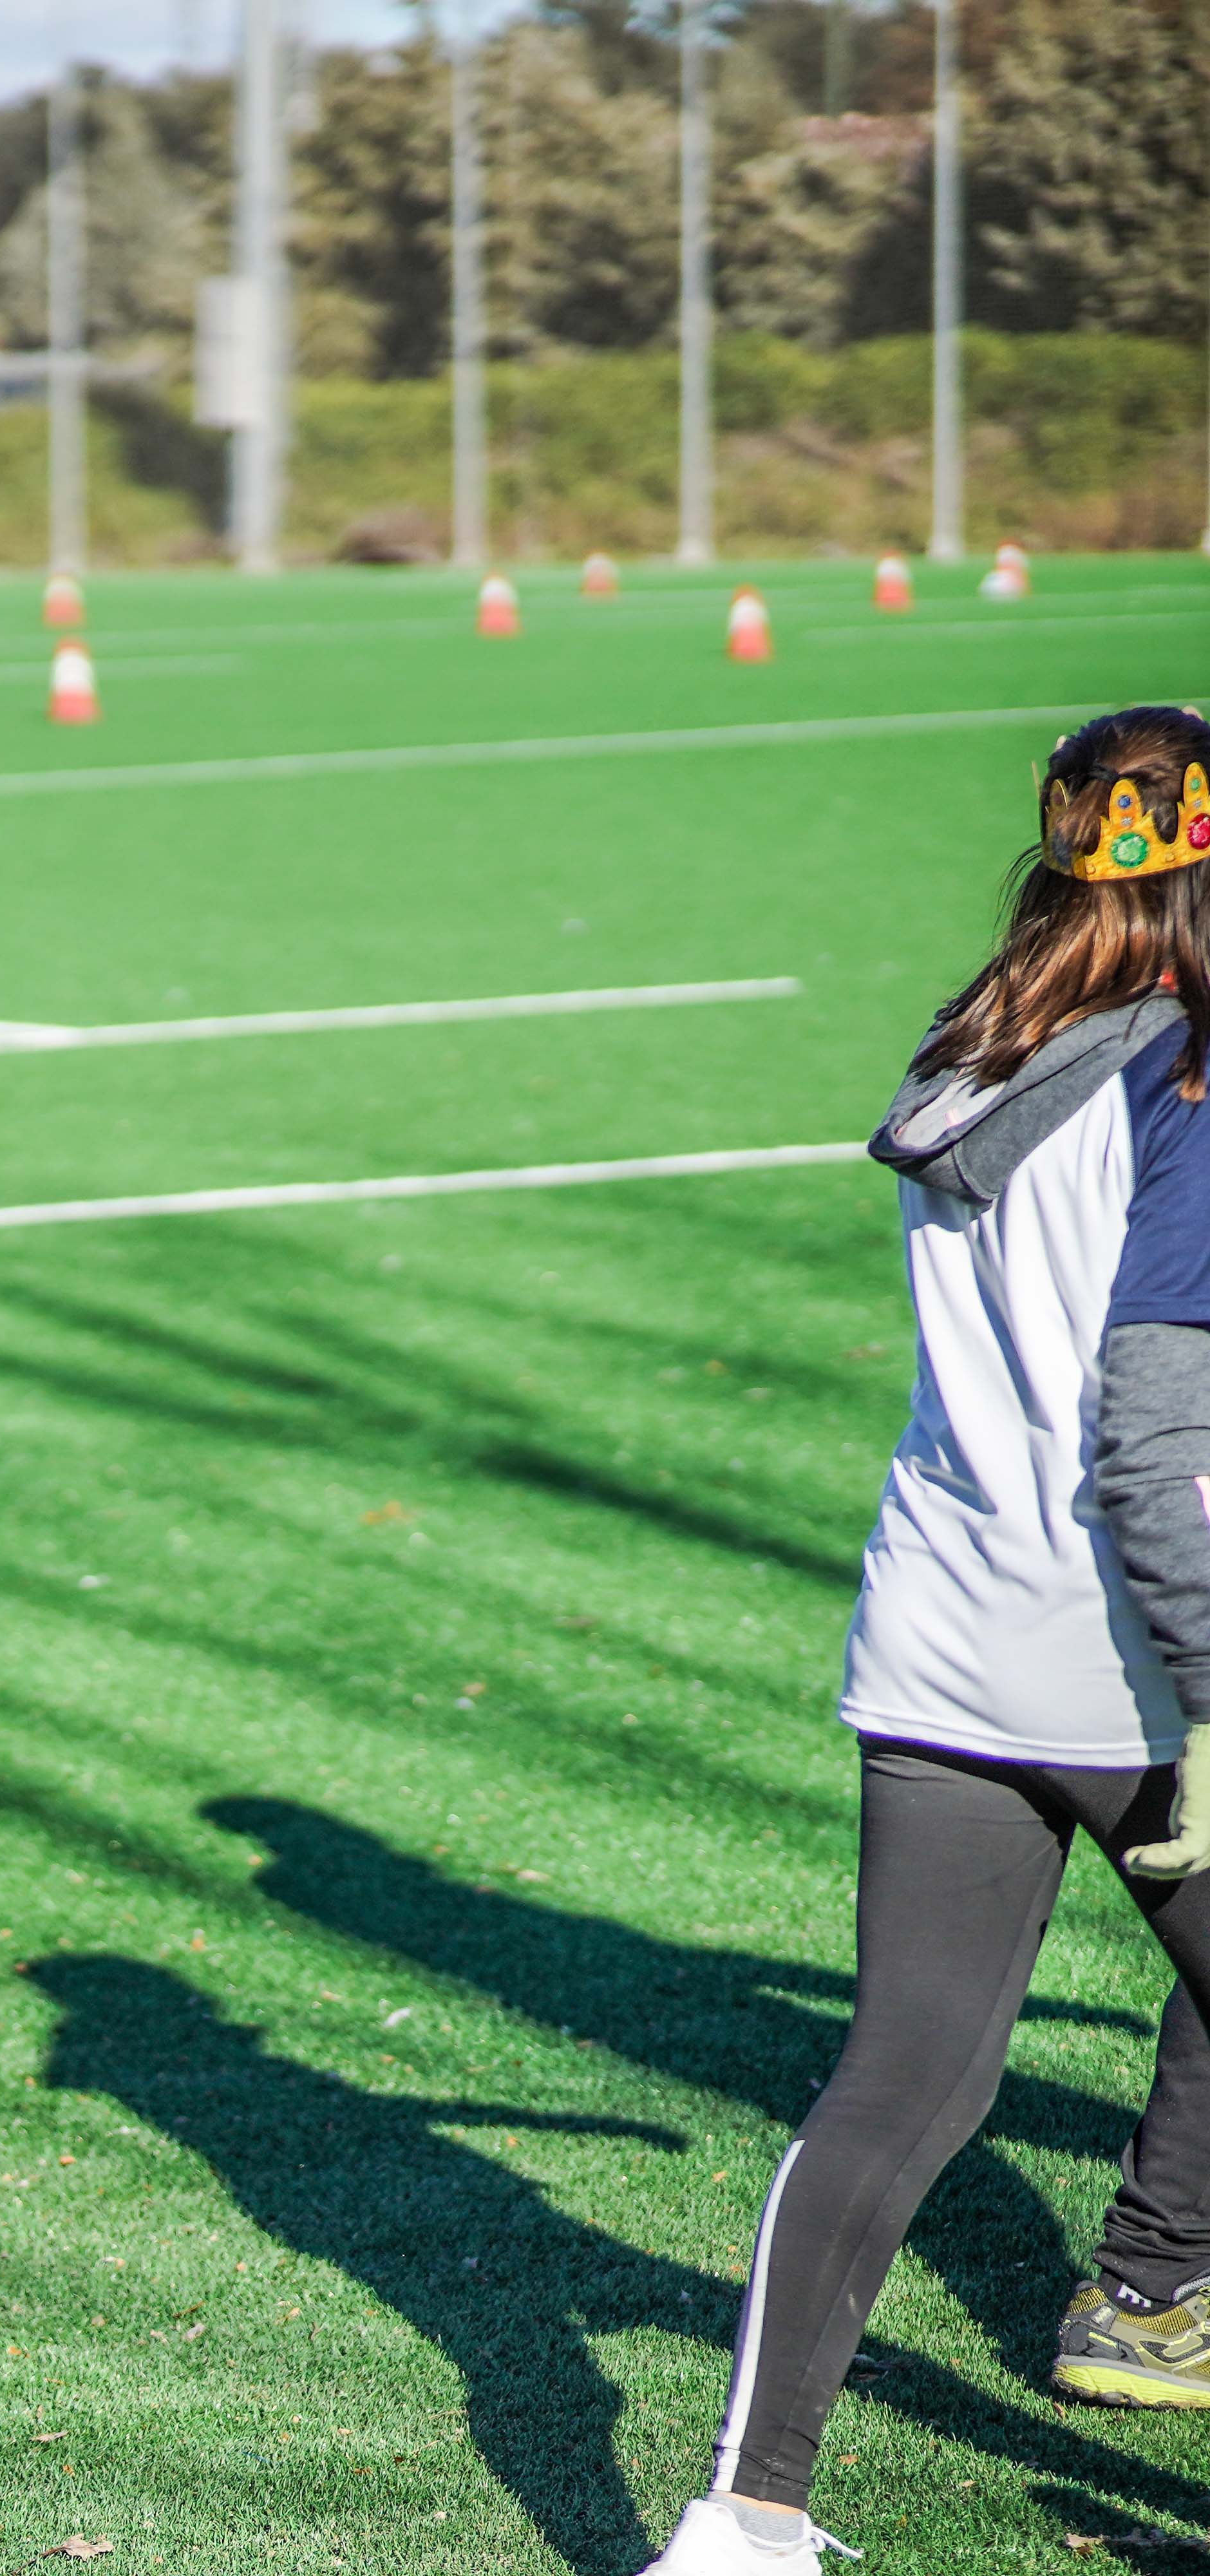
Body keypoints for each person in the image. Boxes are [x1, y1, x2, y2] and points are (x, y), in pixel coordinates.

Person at [640, 705, 1210, 2573]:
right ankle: (1146, 2294)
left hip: (942, 1637)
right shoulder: (1186, 1089)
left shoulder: (978, 1044)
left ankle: (746, 2515)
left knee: (903, 2079)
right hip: (1127, 1658)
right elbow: (1146, 1429)